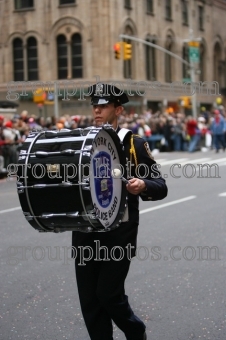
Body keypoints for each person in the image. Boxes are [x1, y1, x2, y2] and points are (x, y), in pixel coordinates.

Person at [72, 83, 168, 340]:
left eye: (103, 106)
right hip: (85, 231)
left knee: (108, 294)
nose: (97, 110)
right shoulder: (81, 141)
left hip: (119, 233)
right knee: (90, 303)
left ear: (118, 110)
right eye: (95, 105)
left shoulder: (133, 143)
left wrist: (143, 184)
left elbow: (161, 186)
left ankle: (136, 330)